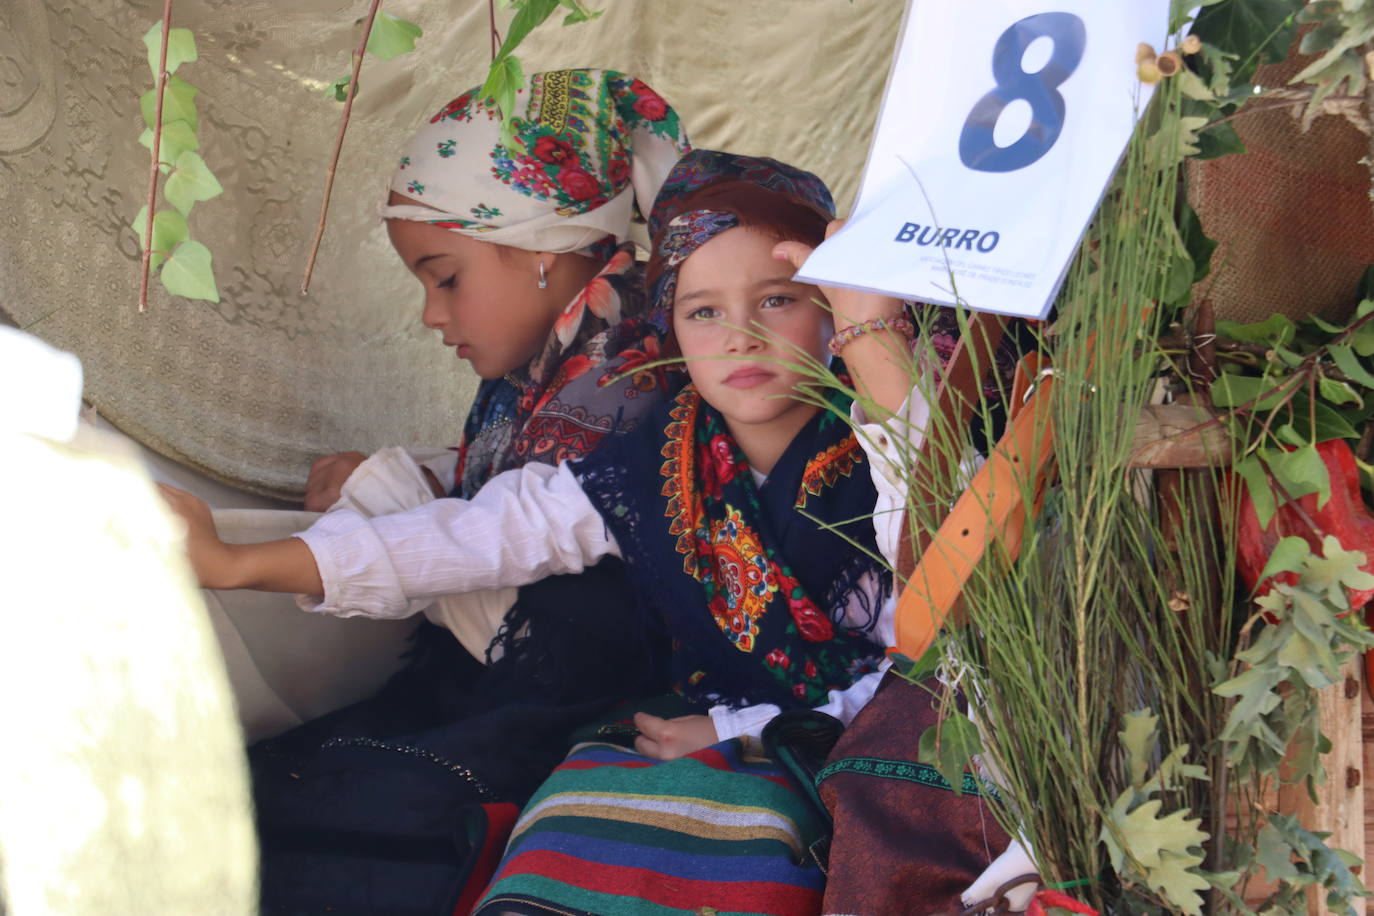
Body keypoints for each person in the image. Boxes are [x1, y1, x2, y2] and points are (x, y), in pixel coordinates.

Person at [167, 149, 1014, 914]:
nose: (742, 337)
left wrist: (876, 340)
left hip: (894, 751)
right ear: (671, 333)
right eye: (703, 311)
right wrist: (234, 562)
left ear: (836, 310)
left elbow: (958, 611)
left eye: (782, 299)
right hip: (713, 732)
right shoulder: (653, 462)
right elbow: (474, 536)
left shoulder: (888, 441)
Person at [165, 67, 691, 916]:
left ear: (546, 254)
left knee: (321, 832)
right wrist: (407, 470)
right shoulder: (560, 358)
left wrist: (237, 562)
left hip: (583, 715)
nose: (431, 315)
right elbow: (504, 479)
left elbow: (503, 530)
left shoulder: (629, 374)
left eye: (445, 277)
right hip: (502, 693)